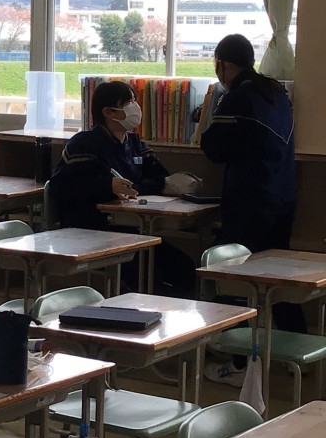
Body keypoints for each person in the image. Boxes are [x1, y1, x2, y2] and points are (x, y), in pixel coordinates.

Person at [200, 33, 305, 386]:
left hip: (250, 203)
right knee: (279, 283)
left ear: (222, 64)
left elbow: (213, 149)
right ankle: (298, 354)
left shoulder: (237, 98)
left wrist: (208, 116)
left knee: (238, 280)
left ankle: (239, 363)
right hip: (283, 198)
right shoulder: (276, 93)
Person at [50, 80, 195, 295]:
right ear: (108, 112)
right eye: (128, 103)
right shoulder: (84, 144)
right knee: (148, 272)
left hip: (130, 230)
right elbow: (61, 187)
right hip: (93, 230)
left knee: (184, 267)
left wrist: (137, 186)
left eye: (134, 101)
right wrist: (107, 185)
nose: (135, 107)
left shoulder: (135, 143)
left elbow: (160, 178)